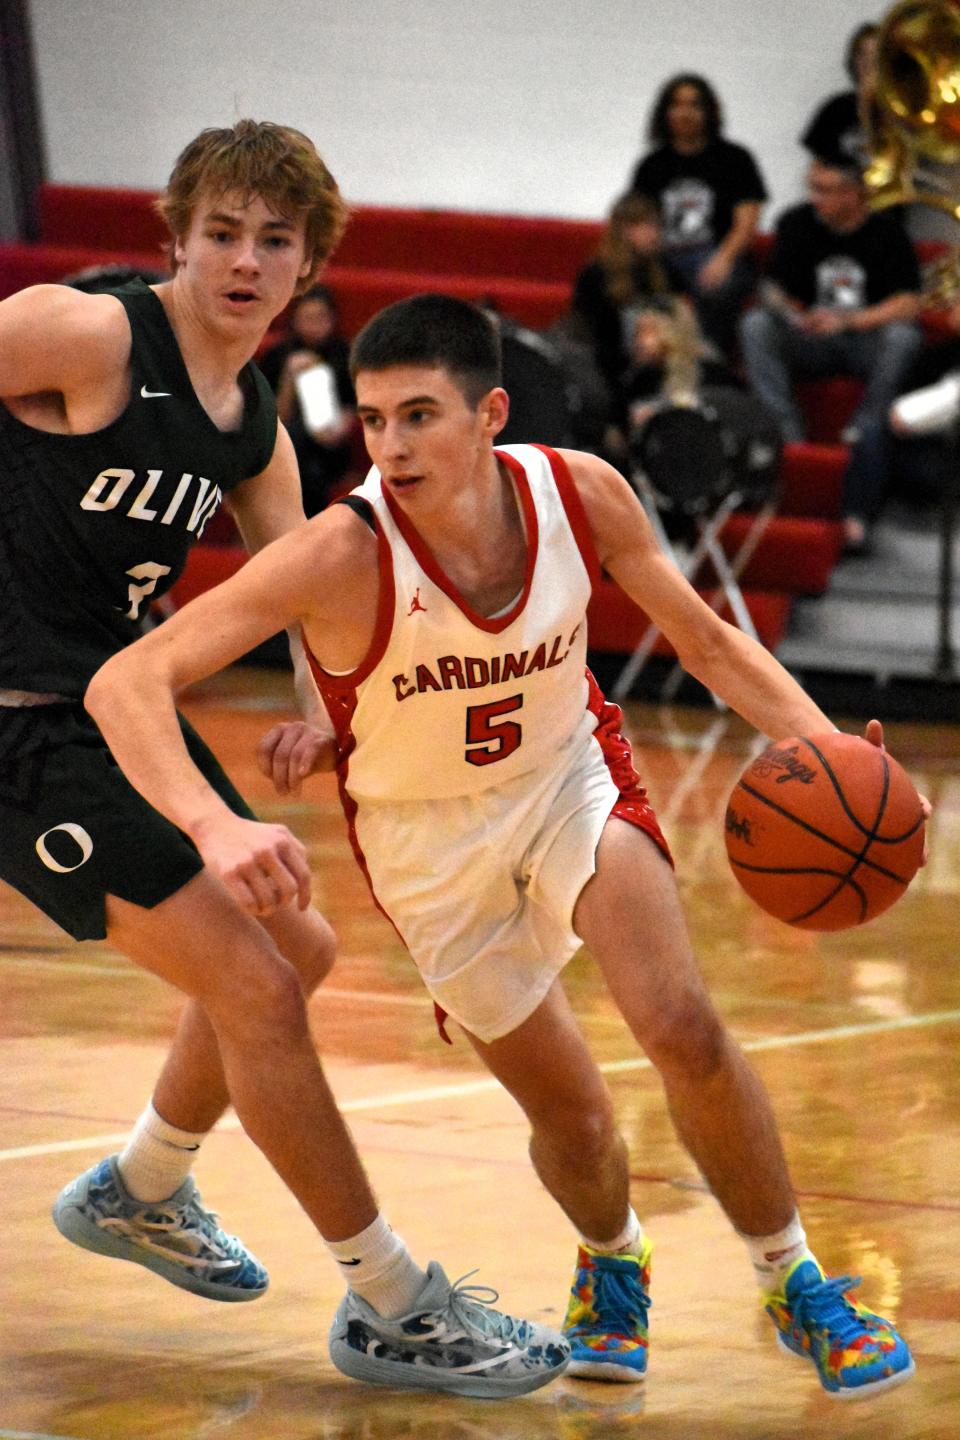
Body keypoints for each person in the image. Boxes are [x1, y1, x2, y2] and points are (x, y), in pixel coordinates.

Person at [79, 291, 919, 1400]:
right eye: (374, 420)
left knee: (681, 1022)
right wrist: (215, 820)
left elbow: (707, 641)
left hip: (570, 777)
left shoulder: (581, 492)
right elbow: (127, 679)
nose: (391, 445)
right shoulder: (342, 549)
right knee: (569, 1114)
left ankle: (796, 1279)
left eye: (419, 415)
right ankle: (615, 1258)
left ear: (492, 416)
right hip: (428, 847)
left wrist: (821, 746)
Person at [0, 124, 568, 1399]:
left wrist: (333, 711)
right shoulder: (89, 337)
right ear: (176, 235)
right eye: (222, 233)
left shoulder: (248, 421)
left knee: (296, 949)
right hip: (14, 723)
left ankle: (141, 1187)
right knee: (257, 987)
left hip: (96, 707)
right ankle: (391, 1304)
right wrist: (213, 821)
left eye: (274, 240)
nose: (245, 260)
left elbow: (310, 596)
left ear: (311, 262)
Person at [739, 156, 923, 552]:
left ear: (854, 194)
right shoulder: (797, 223)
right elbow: (771, 288)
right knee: (756, 325)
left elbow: (908, 303)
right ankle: (787, 431)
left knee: (902, 338)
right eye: (813, 188)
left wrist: (850, 321)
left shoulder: (887, 233)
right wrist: (796, 315)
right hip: (810, 337)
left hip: (863, 340)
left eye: (825, 190)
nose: (815, 198)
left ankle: (867, 426)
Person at [570, 192, 727, 454]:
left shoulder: (663, 270)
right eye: (645, 226)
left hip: (664, 364)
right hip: (615, 371)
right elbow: (595, 343)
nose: (654, 233)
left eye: (657, 225)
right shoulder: (596, 277)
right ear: (624, 230)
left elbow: (684, 320)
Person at [628, 74, 768, 357]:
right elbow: (637, 220)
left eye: (694, 105)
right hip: (664, 255)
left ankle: (709, 360)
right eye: (677, 105)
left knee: (721, 284)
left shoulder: (735, 159)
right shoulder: (651, 165)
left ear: (708, 112)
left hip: (716, 254)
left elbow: (747, 220)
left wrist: (724, 259)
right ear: (665, 112)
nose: (685, 113)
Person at [258, 283, 358, 516]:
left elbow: (352, 411)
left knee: (307, 452)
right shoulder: (278, 356)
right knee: (295, 440)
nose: (314, 326)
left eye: (320, 318)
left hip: (330, 444)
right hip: (287, 440)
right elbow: (274, 419)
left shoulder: (345, 356)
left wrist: (341, 422)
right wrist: (289, 379)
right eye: (307, 318)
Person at [800, 21, 879, 174]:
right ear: (853, 59)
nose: (868, 61)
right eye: (862, 54)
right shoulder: (836, 108)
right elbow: (820, 163)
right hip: (846, 194)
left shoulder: (904, 109)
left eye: (875, 55)